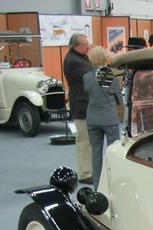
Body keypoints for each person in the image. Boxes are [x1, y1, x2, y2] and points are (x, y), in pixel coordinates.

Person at [83, 47, 121, 189]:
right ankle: (113, 184)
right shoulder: (111, 76)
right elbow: (118, 99)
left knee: (96, 152)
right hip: (109, 118)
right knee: (113, 153)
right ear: (105, 58)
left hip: (92, 118)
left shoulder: (86, 77)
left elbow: (88, 95)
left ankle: (98, 186)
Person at [63, 33, 94, 183]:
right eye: (85, 45)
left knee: (87, 140)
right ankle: (86, 173)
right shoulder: (74, 61)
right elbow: (89, 77)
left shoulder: (81, 57)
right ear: (75, 46)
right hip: (81, 105)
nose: (88, 47)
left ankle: (89, 170)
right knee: (84, 140)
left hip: (85, 103)